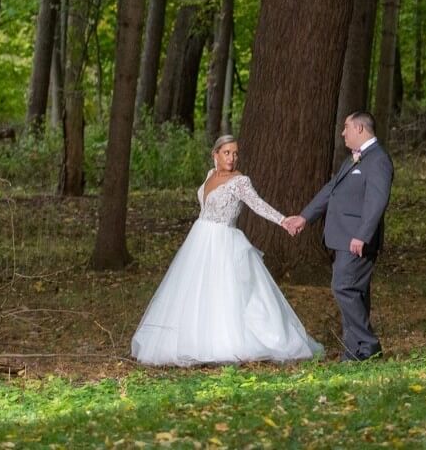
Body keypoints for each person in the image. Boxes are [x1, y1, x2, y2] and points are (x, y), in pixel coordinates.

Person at [130, 135, 322, 366]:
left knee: (227, 292)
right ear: (215, 155)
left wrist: (283, 221)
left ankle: (228, 342)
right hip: (200, 238)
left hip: (223, 240)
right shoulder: (211, 175)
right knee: (195, 291)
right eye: (227, 153)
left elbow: (257, 204)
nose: (232, 158)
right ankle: (193, 340)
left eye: (235, 153)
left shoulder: (240, 181)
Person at [282, 112, 393, 361]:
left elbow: (376, 202)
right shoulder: (353, 159)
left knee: (342, 286)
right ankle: (355, 353)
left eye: (346, 127)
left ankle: (369, 344)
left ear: (361, 129)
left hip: (357, 240)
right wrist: (304, 218)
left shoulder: (378, 160)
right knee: (356, 292)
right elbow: (329, 190)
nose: (343, 133)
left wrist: (362, 235)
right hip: (342, 238)